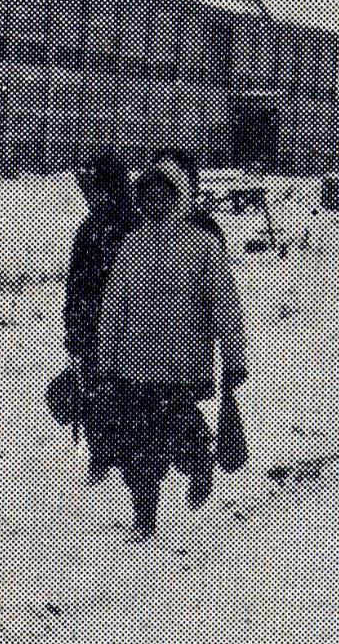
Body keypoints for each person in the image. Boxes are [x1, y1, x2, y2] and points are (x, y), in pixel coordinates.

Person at [96, 160, 247, 541]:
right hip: (132, 365)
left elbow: (224, 304)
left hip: (182, 365)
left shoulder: (202, 245)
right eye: (148, 194)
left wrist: (233, 357)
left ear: (178, 196)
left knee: (180, 427)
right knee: (138, 442)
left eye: (164, 193)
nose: (155, 201)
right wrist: (105, 359)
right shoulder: (132, 245)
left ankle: (199, 463)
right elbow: (114, 306)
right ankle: (145, 514)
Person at [63, 153, 137, 483]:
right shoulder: (89, 230)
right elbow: (76, 284)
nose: (91, 198)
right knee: (93, 388)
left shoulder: (135, 228)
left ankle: (133, 458)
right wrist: (74, 326)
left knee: (129, 395)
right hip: (93, 326)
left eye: (95, 190)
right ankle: (102, 451)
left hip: (129, 329)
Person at [153, 148, 225, 242]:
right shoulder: (140, 229)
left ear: (192, 191)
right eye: (158, 182)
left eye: (173, 183)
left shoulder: (206, 231)